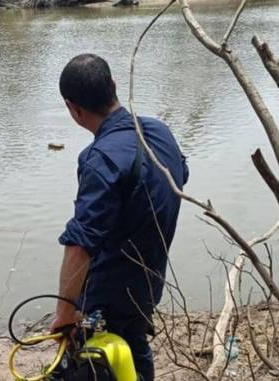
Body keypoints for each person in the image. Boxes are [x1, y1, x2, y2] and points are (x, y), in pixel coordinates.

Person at [50, 54, 189, 381]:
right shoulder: (159, 132)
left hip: (103, 304)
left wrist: (64, 313)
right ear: (113, 85)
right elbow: (180, 174)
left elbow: (80, 244)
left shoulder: (99, 159)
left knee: (83, 362)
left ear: (73, 108)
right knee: (134, 349)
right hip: (147, 287)